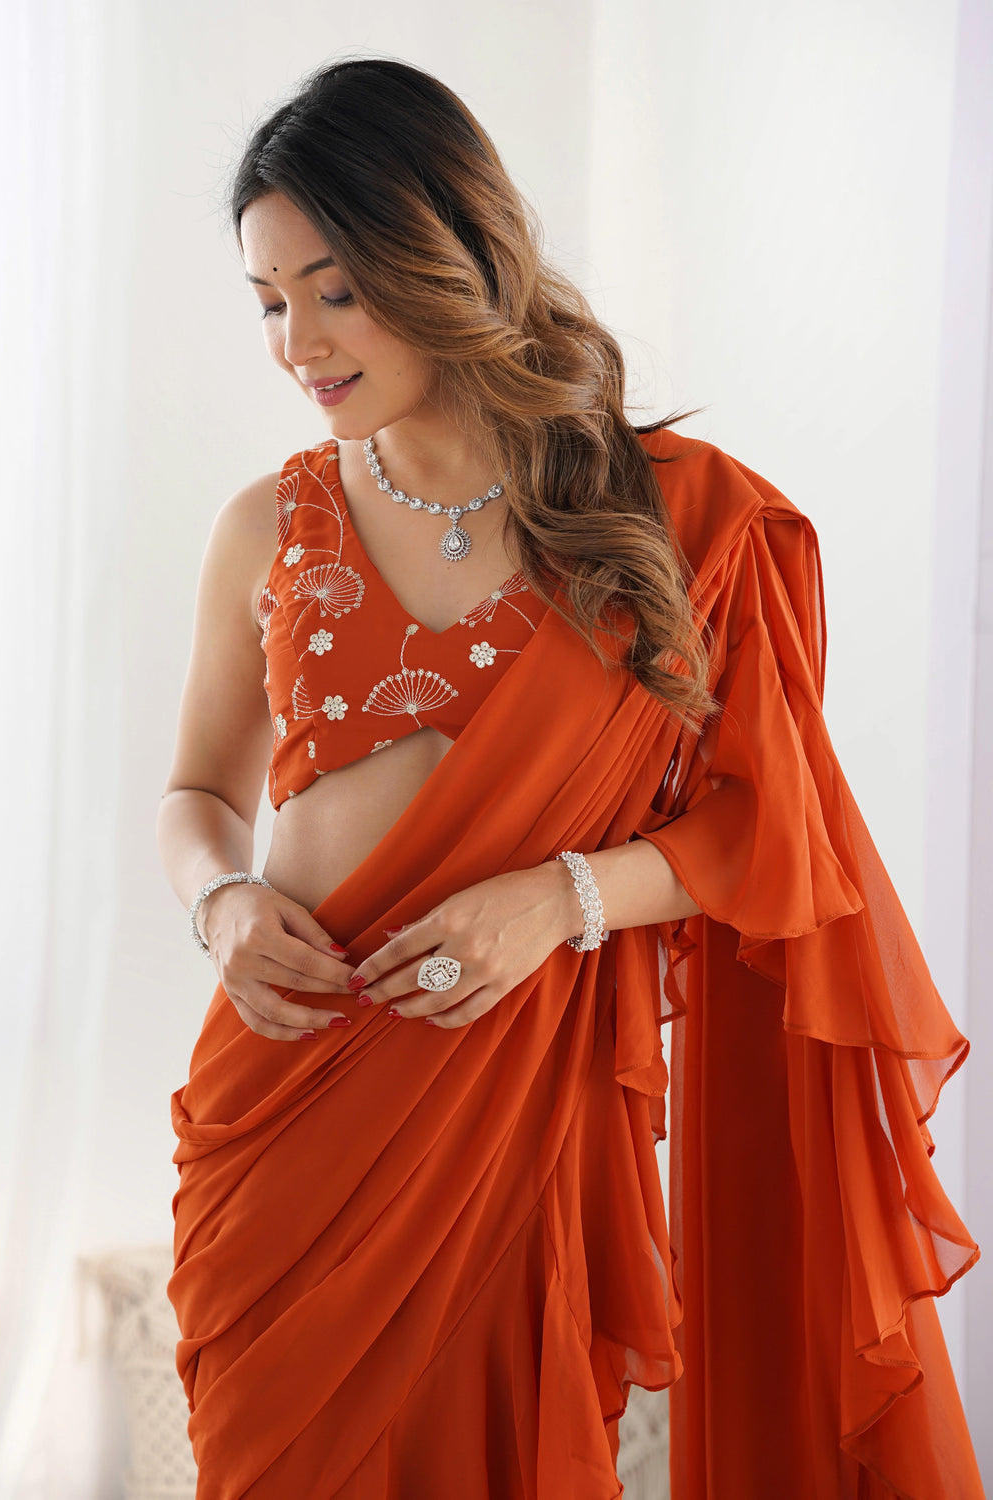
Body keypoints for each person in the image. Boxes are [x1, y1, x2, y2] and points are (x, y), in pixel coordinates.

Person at [155, 55, 983, 1500]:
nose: (299, 342)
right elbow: (198, 798)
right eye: (270, 301)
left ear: (448, 253)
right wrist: (221, 905)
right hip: (283, 1105)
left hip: (510, 1110)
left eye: (334, 289)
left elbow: (777, 835)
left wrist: (562, 899)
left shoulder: (676, 519)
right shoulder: (266, 525)